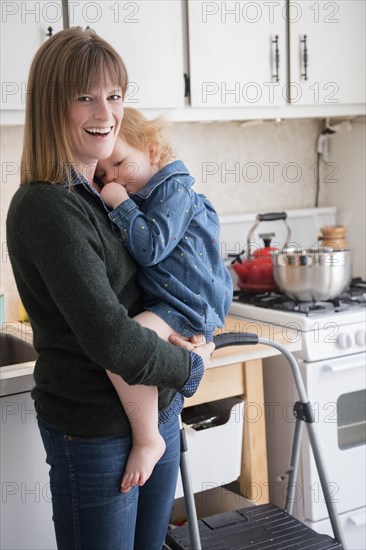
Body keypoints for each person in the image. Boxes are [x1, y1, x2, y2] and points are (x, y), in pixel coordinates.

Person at [6, 27, 215, 550]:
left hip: (158, 414)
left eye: (114, 96)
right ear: (53, 105)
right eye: (85, 97)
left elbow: (142, 292)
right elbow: (111, 338)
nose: (105, 112)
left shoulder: (100, 191)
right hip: (98, 431)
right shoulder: (47, 206)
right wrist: (191, 365)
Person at [95, 107, 233, 493]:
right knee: (126, 349)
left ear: (152, 151)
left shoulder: (174, 190)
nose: (113, 178)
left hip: (185, 305)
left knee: (123, 351)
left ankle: (147, 437)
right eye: (104, 174)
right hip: (176, 302)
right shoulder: (152, 194)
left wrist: (119, 203)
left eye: (121, 163)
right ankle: (152, 431)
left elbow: (151, 247)